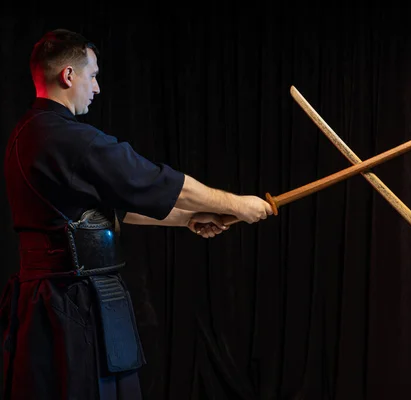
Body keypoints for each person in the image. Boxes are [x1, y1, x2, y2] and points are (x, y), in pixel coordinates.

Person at [1, 28, 273, 399]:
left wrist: (189, 219)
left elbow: (107, 208)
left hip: (43, 305)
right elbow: (153, 180)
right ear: (68, 75)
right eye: (93, 75)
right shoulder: (69, 139)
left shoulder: (25, 135)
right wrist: (238, 204)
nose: (96, 88)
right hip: (73, 306)